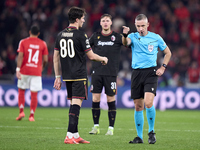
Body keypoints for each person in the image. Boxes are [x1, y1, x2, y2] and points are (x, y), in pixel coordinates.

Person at [53, 7, 108, 144]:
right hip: (79, 75)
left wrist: (57, 77)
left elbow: (55, 57)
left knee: (73, 104)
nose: (84, 20)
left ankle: (75, 135)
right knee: (76, 106)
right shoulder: (81, 35)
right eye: (82, 18)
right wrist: (103, 58)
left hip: (67, 76)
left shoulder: (60, 35)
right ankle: (68, 136)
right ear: (77, 19)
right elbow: (91, 56)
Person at [122, 14, 172, 144]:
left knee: (148, 103)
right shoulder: (132, 36)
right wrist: (125, 35)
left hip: (151, 73)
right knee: (138, 106)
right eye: (138, 26)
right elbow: (125, 43)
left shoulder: (155, 38)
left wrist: (163, 67)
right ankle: (139, 137)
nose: (140, 29)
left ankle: (151, 132)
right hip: (137, 73)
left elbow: (168, 53)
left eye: (143, 26)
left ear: (148, 25)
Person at [88, 14, 123, 136]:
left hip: (111, 74)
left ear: (111, 23)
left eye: (107, 20)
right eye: (103, 21)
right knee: (95, 99)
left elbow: (127, 43)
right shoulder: (95, 36)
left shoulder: (117, 37)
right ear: (101, 23)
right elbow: (86, 48)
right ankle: (96, 127)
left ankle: (110, 128)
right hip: (97, 73)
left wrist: (126, 34)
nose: (105, 22)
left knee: (110, 99)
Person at [16, 25, 48, 122]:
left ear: (29, 32)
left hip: (24, 70)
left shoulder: (23, 42)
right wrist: (41, 67)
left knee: (21, 91)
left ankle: (21, 111)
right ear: (38, 33)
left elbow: (20, 57)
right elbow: (46, 59)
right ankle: (31, 116)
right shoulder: (43, 44)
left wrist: (18, 69)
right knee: (34, 94)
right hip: (36, 71)